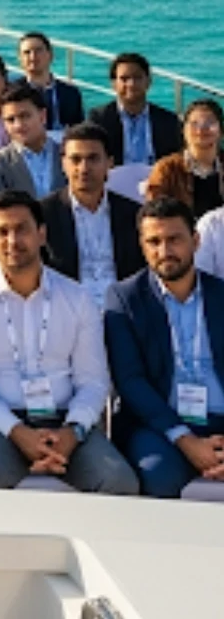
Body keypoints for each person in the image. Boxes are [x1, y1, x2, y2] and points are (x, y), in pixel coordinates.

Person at [0, 191, 136, 494]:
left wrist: (72, 432)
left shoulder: (77, 297)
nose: (12, 240)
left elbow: (94, 380)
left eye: (22, 228)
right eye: (2, 232)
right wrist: (18, 432)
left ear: (41, 234)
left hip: (66, 420)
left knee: (119, 482)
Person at [104, 197, 224, 497]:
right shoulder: (124, 299)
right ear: (142, 246)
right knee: (158, 476)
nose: (164, 251)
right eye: (153, 241)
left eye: (174, 239)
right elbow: (130, 381)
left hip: (220, 419)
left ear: (195, 241)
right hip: (160, 423)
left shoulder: (221, 295)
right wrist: (186, 440)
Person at [42, 122, 144, 311]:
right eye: (76, 159)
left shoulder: (133, 214)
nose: (84, 168)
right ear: (63, 164)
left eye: (93, 159)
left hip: (123, 310)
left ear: (110, 163)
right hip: (66, 311)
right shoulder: (43, 214)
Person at [89, 52, 182, 168]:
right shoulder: (99, 119)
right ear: (113, 84)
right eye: (124, 79)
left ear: (148, 82)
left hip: (157, 182)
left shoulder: (168, 121)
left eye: (137, 78)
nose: (131, 84)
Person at [146, 98, 224, 219]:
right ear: (184, 130)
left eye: (210, 123)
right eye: (194, 123)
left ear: (221, 131)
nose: (202, 129)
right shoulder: (167, 168)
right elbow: (156, 212)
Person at [0, 82, 62, 199]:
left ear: (42, 116)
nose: (18, 125)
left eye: (25, 116)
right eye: (11, 120)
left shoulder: (67, 154)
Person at [18, 31, 85, 132]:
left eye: (38, 50)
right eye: (27, 52)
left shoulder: (71, 93)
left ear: (50, 55)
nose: (33, 57)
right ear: (20, 59)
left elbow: (79, 129)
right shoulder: (13, 92)